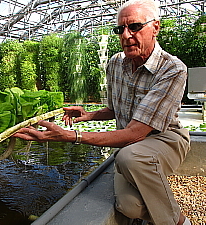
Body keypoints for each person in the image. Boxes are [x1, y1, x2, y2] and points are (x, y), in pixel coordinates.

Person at [13, 0, 191, 224]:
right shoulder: (117, 63)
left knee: (128, 157)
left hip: (165, 139)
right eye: (120, 29)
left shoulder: (172, 69)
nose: (126, 35)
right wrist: (88, 115)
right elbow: (115, 109)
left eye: (135, 27)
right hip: (132, 148)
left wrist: (72, 136)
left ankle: (179, 221)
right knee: (129, 207)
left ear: (155, 27)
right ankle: (149, 185)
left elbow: (136, 132)